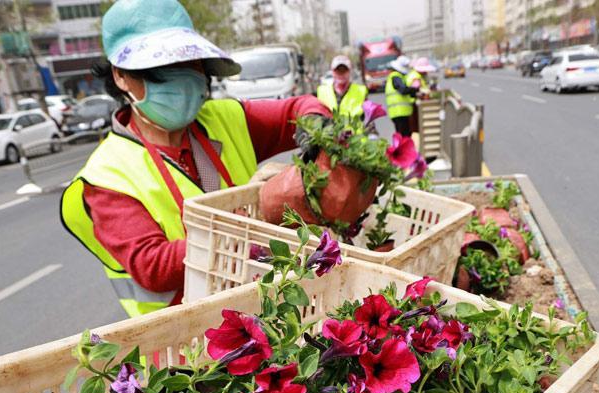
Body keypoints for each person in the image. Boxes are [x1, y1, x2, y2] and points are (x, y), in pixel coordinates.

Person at [61, 0, 329, 319]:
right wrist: (250, 219)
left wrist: (316, 124)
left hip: (264, 309)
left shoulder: (225, 118)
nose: (183, 79)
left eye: (192, 64)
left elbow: (299, 108)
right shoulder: (108, 174)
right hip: (190, 337)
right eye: (164, 69)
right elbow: (154, 266)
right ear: (121, 76)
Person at [316, 55, 368, 119]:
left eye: (344, 70)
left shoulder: (361, 91)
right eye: (338, 70)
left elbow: (368, 117)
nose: (341, 74)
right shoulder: (322, 91)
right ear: (332, 72)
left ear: (349, 71)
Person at [385, 55, 418, 137]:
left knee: (403, 135)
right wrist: (414, 89)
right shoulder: (396, 76)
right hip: (399, 112)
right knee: (403, 136)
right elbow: (403, 90)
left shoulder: (396, 76)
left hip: (399, 112)